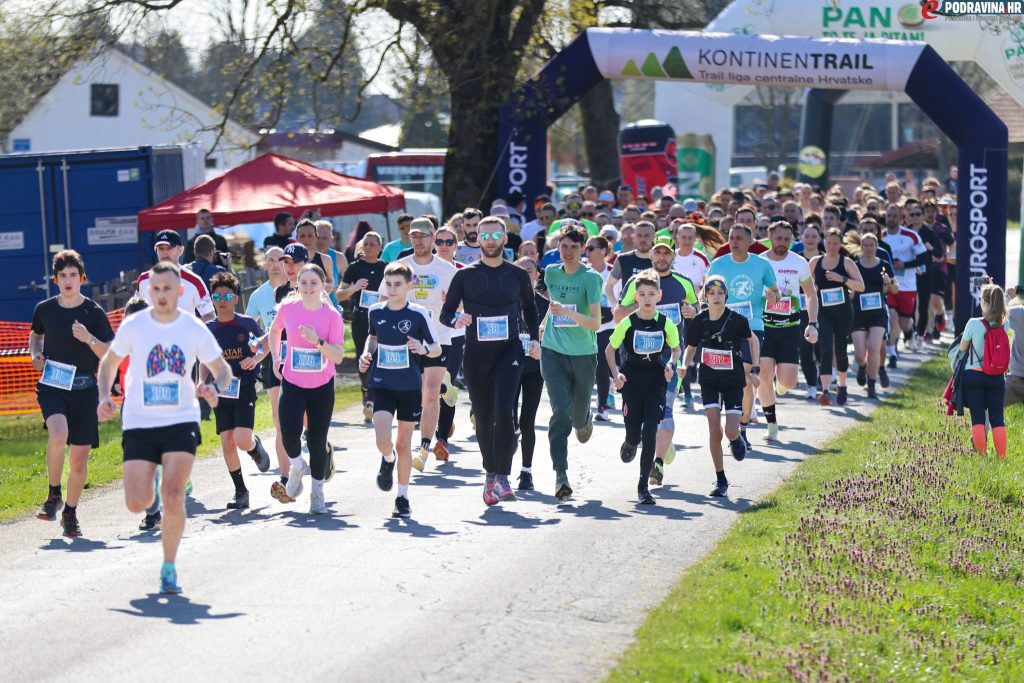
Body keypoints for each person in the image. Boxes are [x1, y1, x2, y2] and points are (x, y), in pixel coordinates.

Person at [97, 261, 233, 594]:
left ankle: (169, 567)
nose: (161, 294)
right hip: (140, 421)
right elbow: (109, 363)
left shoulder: (193, 328)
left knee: (173, 497)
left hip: (180, 419)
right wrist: (103, 394)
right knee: (136, 502)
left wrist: (214, 387)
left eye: (167, 289)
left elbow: (223, 369)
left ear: (180, 291)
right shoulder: (134, 325)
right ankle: (150, 484)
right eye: (155, 289)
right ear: (148, 291)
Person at [440, 216, 540, 506]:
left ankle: (504, 477)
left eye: (496, 235)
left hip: (509, 351)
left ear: (505, 238)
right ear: (477, 240)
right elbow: (446, 313)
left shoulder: (517, 275)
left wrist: (534, 339)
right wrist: (458, 319)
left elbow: (530, 309)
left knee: (504, 409)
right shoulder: (465, 275)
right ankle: (489, 473)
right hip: (476, 354)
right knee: (483, 417)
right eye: (484, 236)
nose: (490, 240)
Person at [29, 250, 115, 536]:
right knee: (58, 434)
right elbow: (36, 335)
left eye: (73, 275)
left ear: (82, 278)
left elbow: (110, 353)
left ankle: (71, 512)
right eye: (62, 276)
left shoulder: (93, 312)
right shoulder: (45, 309)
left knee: (79, 459)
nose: (68, 280)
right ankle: (54, 494)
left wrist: (88, 338)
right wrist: (36, 354)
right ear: (55, 280)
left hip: (84, 389)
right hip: (53, 385)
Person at [359, 262, 442, 518]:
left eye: (398, 284)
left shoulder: (418, 314)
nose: (393, 289)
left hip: (408, 387)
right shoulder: (375, 311)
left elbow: (436, 348)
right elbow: (372, 338)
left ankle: (402, 497)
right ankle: (387, 459)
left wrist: (422, 348)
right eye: (389, 284)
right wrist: (365, 354)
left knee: (404, 444)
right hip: (382, 384)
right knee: (383, 438)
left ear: (409, 285)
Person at [614, 236, 698, 485]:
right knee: (644, 418)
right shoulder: (637, 283)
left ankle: (657, 464)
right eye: (658, 253)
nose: (662, 257)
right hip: (638, 363)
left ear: (673, 256)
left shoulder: (683, 283)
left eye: (667, 253)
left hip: (670, 360)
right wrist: (644, 308)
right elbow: (618, 315)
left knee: (666, 411)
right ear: (651, 255)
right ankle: (657, 446)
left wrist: (692, 311)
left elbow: (698, 309)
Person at [377, 218, 458, 471]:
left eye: (423, 235)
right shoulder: (399, 268)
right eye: (414, 235)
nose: (418, 240)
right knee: (415, 395)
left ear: (433, 238)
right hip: (406, 341)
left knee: (431, 392)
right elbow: (382, 300)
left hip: (438, 338)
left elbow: (463, 306)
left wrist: (451, 305)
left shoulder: (448, 270)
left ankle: (423, 449)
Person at [269, 264, 346, 513]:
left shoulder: (332, 316)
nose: (308, 287)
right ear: (297, 285)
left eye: (314, 283)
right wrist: (276, 358)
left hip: (321, 385)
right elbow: (275, 329)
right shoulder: (288, 308)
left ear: (323, 286)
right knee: (289, 434)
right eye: (304, 283)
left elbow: (338, 356)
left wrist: (318, 341)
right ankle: (296, 465)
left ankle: (317, 494)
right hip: (292, 381)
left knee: (316, 441)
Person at [606, 269, 681, 505]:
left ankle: (642, 487)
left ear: (658, 296)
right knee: (634, 433)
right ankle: (629, 442)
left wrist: (670, 363)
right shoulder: (628, 322)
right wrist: (616, 373)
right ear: (635, 297)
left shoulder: (666, 323)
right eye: (642, 294)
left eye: (651, 294)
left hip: (656, 380)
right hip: (631, 380)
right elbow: (610, 350)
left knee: (650, 431)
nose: (647, 298)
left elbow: (676, 348)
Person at [681, 276, 760, 498]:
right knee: (714, 431)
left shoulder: (737, 320)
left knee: (730, 430)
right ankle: (721, 478)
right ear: (705, 296)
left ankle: (736, 439)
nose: (716, 297)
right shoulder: (698, 321)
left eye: (720, 292)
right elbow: (691, 347)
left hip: (733, 380)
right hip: (709, 380)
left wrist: (754, 369)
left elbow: (753, 341)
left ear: (726, 295)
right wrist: (684, 366)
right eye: (711, 292)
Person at [540, 222, 602, 501]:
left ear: (582, 249)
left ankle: (585, 417)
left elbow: (595, 323)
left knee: (576, 418)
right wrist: (545, 322)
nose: (567, 252)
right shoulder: (551, 272)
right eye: (563, 246)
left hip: (583, 355)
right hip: (552, 351)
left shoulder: (590, 278)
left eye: (574, 247)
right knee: (559, 413)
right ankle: (560, 475)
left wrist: (567, 312)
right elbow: (551, 307)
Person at [706, 224, 780, 449]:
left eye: (739, 238)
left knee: (747, 380)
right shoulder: (719, 264)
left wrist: (772, 295)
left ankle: (743, 430)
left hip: (752, 327)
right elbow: (706, 291)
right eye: (731, 238)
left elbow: (775, 291)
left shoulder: (762, 264)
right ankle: (728, 418)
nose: (734, 242)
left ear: (750, 241)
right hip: (723, 326)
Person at [206, 271, 272, 510]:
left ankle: (254, 446)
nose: (222, 300)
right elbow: (203, 361)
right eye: (217, 296)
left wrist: (255, 360)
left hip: (244, 388)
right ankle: (241, 492)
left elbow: (266, 344)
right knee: (227, 442)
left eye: (227, 295)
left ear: (236, 298)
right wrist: (200, 384)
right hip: (220, 391)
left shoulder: (246, 323)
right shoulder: (209, 329)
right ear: (212, 299)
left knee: (241, 439)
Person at [758, 221, 819, 441]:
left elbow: (811, 295)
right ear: (770, 237)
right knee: (764, 374)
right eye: (778, 238)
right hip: (764, 327)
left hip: (790, 327)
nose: (782, 243)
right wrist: (766, 298)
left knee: (789, 381)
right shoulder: (760, 262)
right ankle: (771, 424)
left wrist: (812, 323)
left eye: (786, 239)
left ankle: (782, 384)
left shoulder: (799, 262)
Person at [244, 246, 291, 481]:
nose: (275, 265)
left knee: (304, 417)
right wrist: (255, 347)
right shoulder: (258, 296)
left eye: (279, 260)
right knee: (278, 417)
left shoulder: (295, 289)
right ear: (264, 265)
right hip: (271, 358)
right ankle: (286, 474)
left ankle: (318, 447)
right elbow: (249, 328)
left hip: (299, 357)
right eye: (270, 260)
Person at [808, 228, 865, 407]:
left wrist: (842, 279)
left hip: (843, 313)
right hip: (823, 312)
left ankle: (842, 385)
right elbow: (805, 284)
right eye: (828, 242)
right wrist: (813, 288)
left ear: (840, 244)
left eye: (835, 243)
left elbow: (861, 286)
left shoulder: (846, 262)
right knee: (825, 349)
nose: (831, 246)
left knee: (840, 349)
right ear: (824, 242)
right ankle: (825, 391)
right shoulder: (815, 262)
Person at [956, 284, 1010, 459]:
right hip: (996, 377)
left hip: (974, 376)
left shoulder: (973, 323)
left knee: (978, 417)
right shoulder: (1005, 323)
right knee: (997, 418)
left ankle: (981, 454)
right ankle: (1001, 457)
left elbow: (963, 348)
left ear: (986, 303)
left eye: (981, 299)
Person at [337, 231, 386, 421]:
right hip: (361, 319)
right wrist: (354, 288)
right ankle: (366, 391)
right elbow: (340, 294)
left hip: (381, 319)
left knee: (379, 357)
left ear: (380, 247)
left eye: (373, 244)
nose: (368, 247)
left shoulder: (387, 268)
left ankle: (372, 400)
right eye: (365, 244)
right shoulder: (354, 268)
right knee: (363, 358)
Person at [512, 257, 548, 491]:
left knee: (528, 421)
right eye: (520, 271)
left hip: (535, 369)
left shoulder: (546, 305)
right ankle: (502, 467)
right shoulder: (505, 303)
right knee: (507, 418)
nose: (525, 274)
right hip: (510, 367)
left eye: (530, 271)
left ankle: (526, 471)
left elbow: (554, 338)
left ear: (537, 275)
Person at [431, 226, 466, 458]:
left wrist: (457, 305)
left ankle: (442, 438)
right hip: (428, 335)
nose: (444, 245)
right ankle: (437, 424)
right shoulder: (424, 269)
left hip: (454, 335)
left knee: (447, 385)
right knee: (427, 389)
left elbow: (472, 303)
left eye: (449, 242)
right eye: (440, 241)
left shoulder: (464, 271)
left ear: (456, 245)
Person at [849, 232, 896, 399]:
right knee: (860, 355)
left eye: (872, 245)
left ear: (877, 246)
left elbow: (895, 289)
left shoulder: (884, 265)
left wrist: (889, 283)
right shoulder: (854, 265)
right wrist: (850, 292)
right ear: (861, 247)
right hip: (859, 313)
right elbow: (848, 286)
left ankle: (871, 385)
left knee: (874, 348)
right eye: (865, 245)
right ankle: (862, 366)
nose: (869, 248)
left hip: (878, 312)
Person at [883, 202, 927, 367]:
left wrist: (905, 265)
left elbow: (923, 258)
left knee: (904, 322)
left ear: (901, 218)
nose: (891, 219)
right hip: (889, 285)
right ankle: (892, 353)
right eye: (889, 216)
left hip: (907, 285)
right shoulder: (880, 236)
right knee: (892, 316)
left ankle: (910, 333)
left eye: (895, 216)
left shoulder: (911, 236)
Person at [137, 230, 215, 322]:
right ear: (156, 251)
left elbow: (210, 315)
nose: (165, 252)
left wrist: (187, 330)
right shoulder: (143, 280)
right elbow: (136, 312)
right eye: (161, 248)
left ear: (181, 250)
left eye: (169, 247)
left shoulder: (194, 281)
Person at [585, 235, 615, 421]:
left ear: (603, 251)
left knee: (602, 367)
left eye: (590, 248)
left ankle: (602, 406)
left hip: (608, 326)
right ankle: (582, 404)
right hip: (586, 326)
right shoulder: (582, 271)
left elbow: (621, 299)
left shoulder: (614, 273)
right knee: (587, 367)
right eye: (586, 248)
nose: (586, 252)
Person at [603, 220, 655, 302]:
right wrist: (614, 305)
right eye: (639, 235)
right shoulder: (623, 259)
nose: (642, 239)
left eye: (647, 235)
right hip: (629, 312)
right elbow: (608, 286)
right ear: (634, 238)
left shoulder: (661, 260)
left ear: (654, 238)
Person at [295, 219, 335, 294]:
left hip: (319, 303)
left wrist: (328, 286)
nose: (306, 239)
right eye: (302, 236)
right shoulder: (290, 261)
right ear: (297, 238)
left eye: (310, 235)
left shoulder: (326, 259)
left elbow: (330, 281)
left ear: (316, 237)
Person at [316, 220, 348, 311]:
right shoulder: (305, 256)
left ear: (331, 239)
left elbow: (349, 282)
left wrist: (337, 289)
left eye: (325, 238)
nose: (321, 241)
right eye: (318, 237)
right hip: (309, 309)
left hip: (332, 309)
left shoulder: (339, 258)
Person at [1005, 287, 1024, 407]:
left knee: (988, 403)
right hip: (1016, 379)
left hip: (1017, 379)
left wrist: (1008, 296)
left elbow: (997, 312)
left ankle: (981, 426)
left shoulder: (1020, 314)